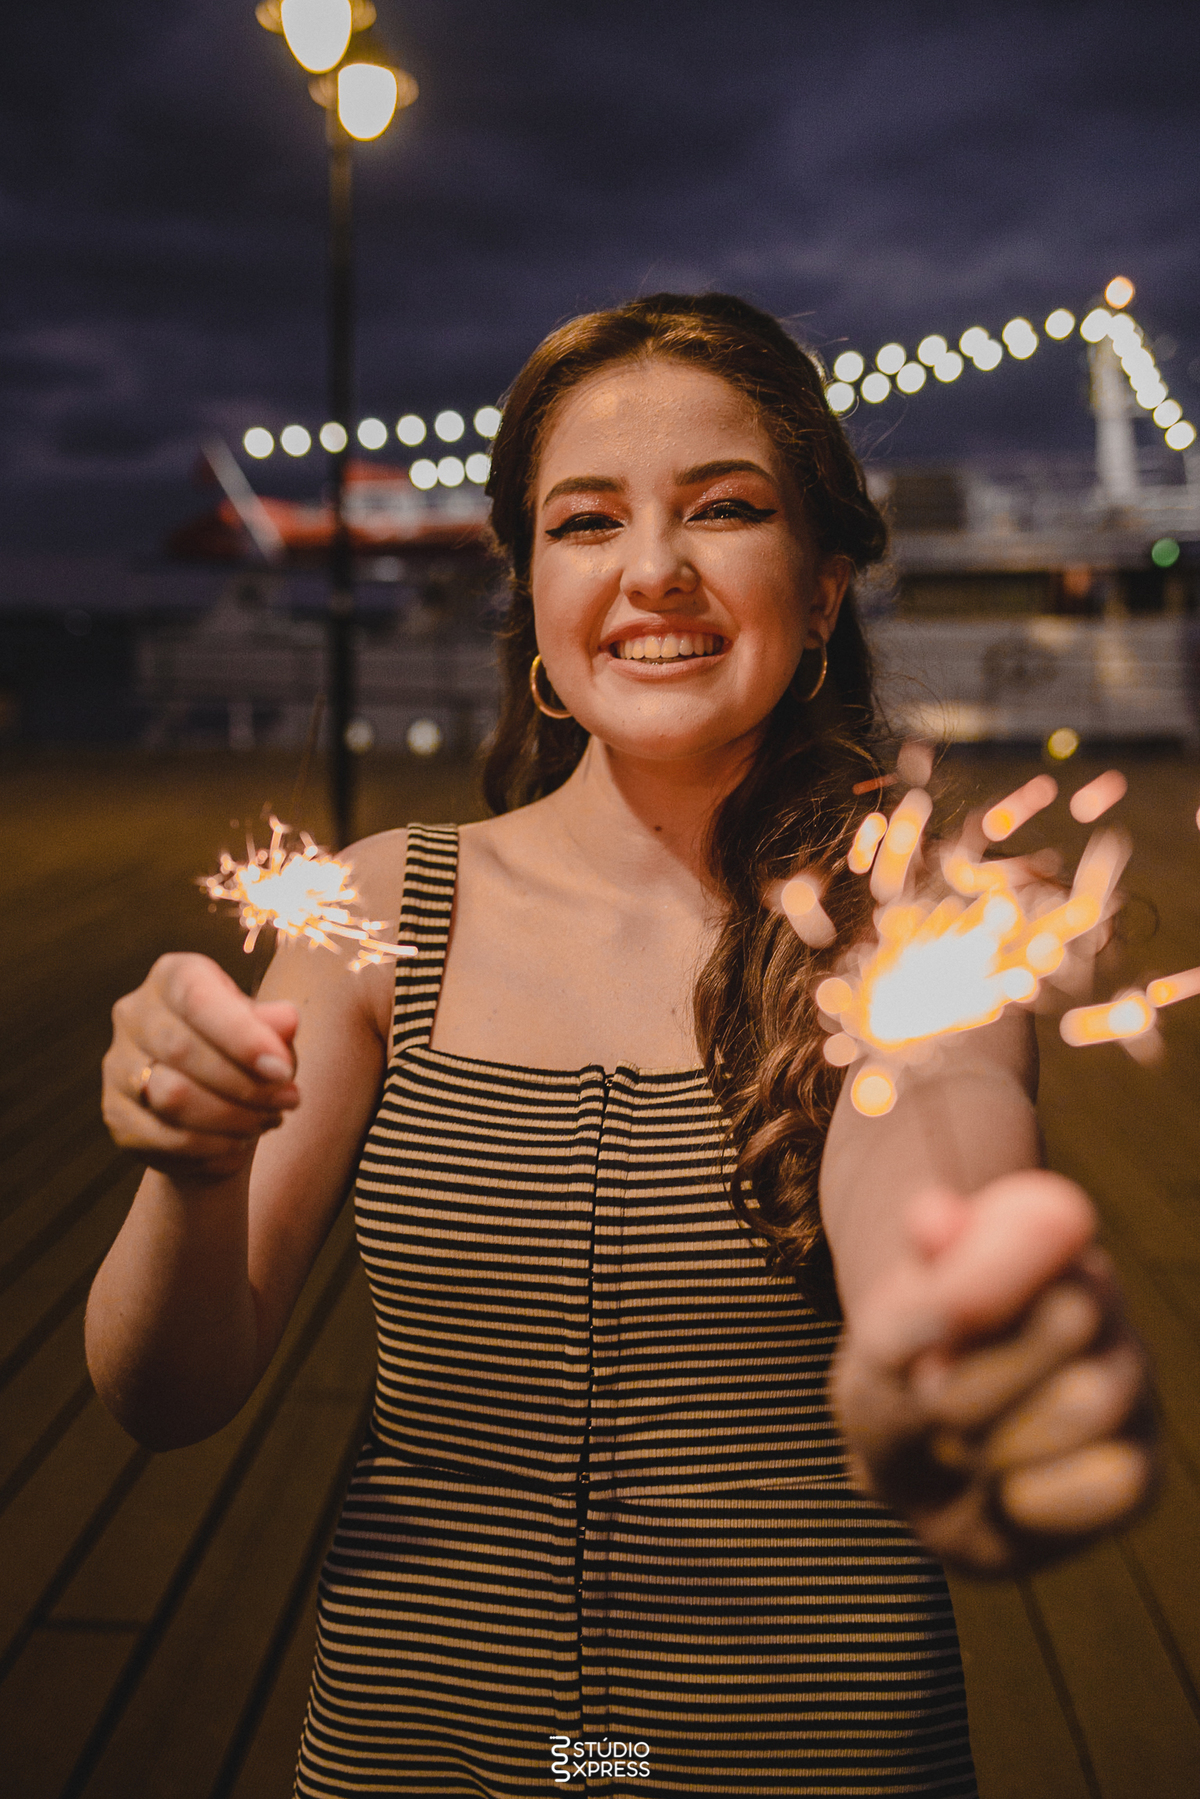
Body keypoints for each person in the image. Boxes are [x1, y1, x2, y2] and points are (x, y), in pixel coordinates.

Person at [91, 293, 1154, 1798]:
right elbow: (165, 1394)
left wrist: (963, 1318)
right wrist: (189, 1166)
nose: (654, 569)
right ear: (531, 586)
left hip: (815, 1755)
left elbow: (938, 1168)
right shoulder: (370, 909)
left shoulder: (910, 921)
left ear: (828, 579)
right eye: (587, 522)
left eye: (724, 509)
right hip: (416, 1748)